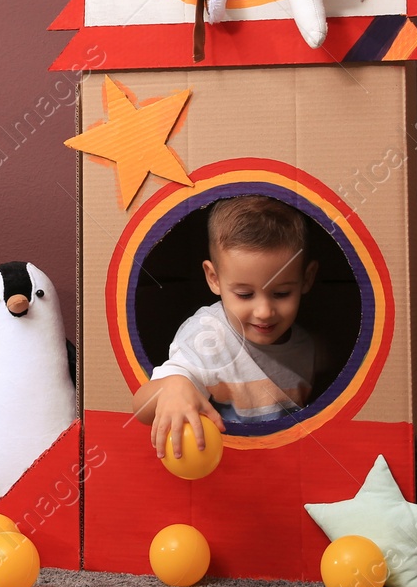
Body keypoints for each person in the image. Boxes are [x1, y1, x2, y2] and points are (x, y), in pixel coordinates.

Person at [131, 195, 323, 459]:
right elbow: (142, 406)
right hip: (224, 469)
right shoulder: (208, 336)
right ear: (214, 279)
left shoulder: (305, 344)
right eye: (245, 295)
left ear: (306, 279)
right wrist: (173, 387)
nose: (264, 311)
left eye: (281, 294)